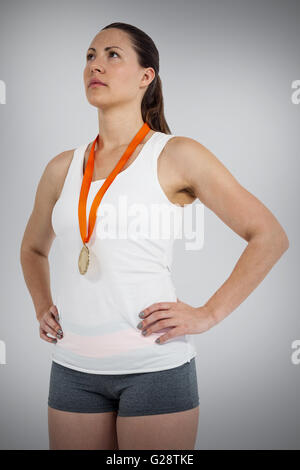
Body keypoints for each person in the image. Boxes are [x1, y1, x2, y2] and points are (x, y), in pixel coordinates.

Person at [20, 22, 289, 450]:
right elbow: (33, 248)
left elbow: (269, 236)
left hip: (155, 368)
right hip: (72, 369)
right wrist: (40, 305)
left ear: (147, 76)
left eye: (112, 55)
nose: (96, 65)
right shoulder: (61, 168)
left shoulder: (177, 154)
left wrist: (209, 314)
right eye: (90, 55)